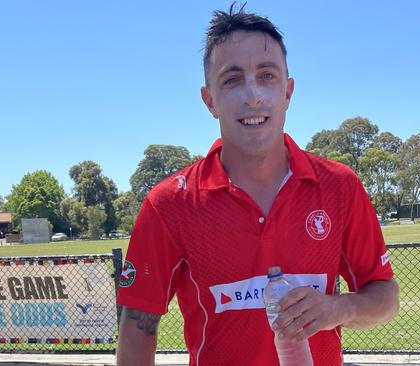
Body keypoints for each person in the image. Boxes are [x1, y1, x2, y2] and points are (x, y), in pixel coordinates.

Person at [116, 4, 400, 365]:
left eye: (267, 75)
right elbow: (139, 326)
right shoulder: (170, 203)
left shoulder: (339, 186)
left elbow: (385, 296)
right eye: (232, 79)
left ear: (288, 91)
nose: (252, 95)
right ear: (210, 100)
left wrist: (337, 308)